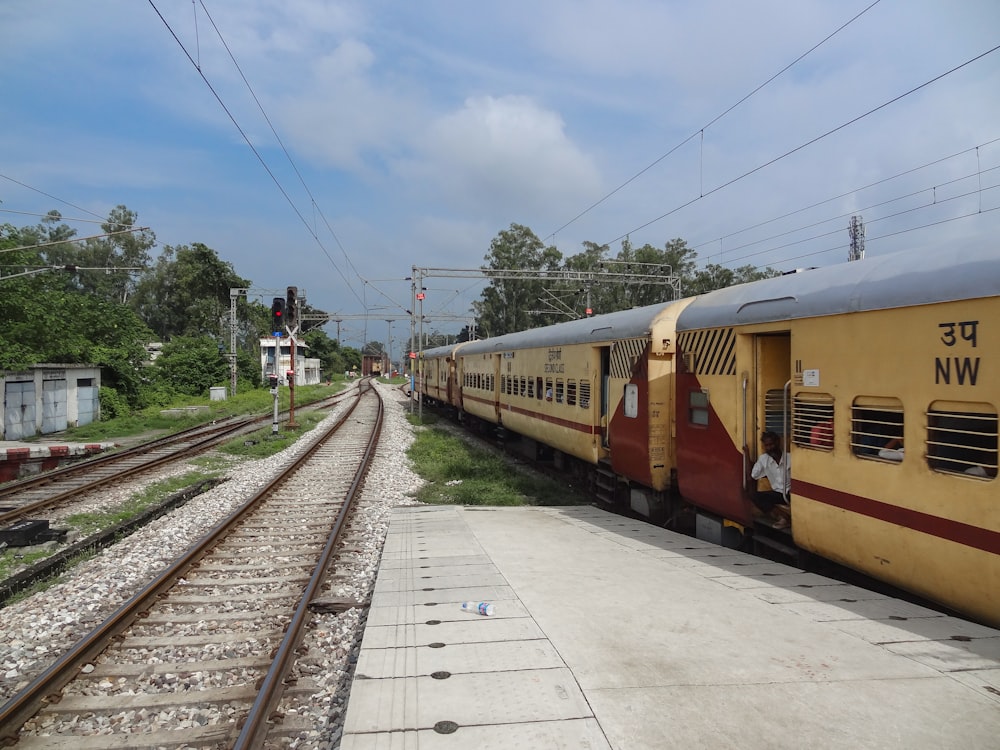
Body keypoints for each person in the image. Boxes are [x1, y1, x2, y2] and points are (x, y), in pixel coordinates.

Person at [749, 431, 792, 529]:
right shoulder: (764, 459)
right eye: (766, 446)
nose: (769, 448)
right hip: (778, 493)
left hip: (792, 493)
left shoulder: (790, 458)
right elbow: (753, 475)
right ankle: (784, 517)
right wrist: (747, 455)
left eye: (771, 444)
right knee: (755, 496)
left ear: (777, 442)